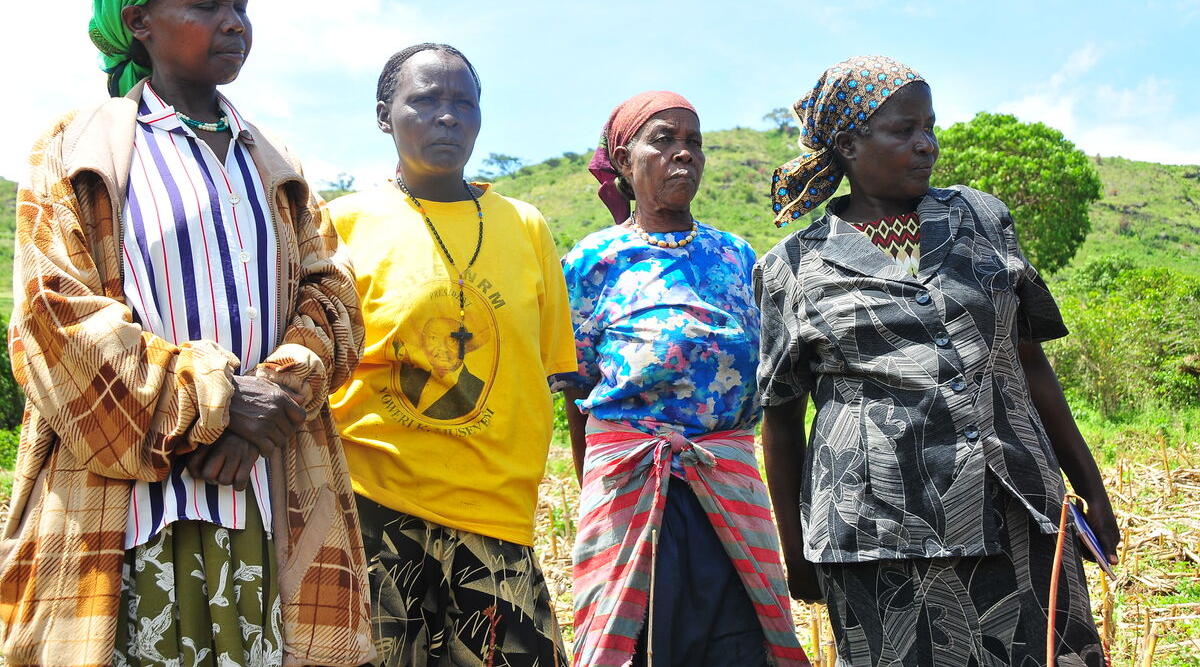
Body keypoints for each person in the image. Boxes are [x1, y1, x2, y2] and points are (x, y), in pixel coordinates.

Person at [0, 0, 374, 667]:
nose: (235, 21)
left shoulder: (279, 165)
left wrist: (274, 393)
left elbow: (333, 297)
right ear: (138, 22)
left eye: (241, 5)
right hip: (128, 505)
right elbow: (51, 318)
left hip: (269, 492)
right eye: (207, 4)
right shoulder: (76, 152)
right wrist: (215, 402)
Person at [756, 55, 1121, 667]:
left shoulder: (980, 219)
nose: (927, 145)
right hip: (876, 538)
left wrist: (1091, 490)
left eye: (931, 126)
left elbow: (1028, 364)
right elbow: (782, 422)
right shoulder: (792, 266)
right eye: (905, 130)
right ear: (848, 144)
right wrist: (796, 556)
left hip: (1015, 508)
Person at [327, 42, 577, 667]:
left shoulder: (525, 227)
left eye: (464, 103)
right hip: (375, 511)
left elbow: (546, 371)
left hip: (497, 511)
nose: (448, 116)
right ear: (384, 115)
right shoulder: (341, 224)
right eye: (426, 100)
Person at [559, 91, 808, 667]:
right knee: (635, 646)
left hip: (727, 479)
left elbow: (769, 381)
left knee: (740, 644)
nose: (683, 154)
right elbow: (577, 390)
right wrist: (596, 485)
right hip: (628, 482)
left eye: (693, 142)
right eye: (663, 140)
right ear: (624, 160)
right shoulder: (593, 260)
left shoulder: (737, 257)